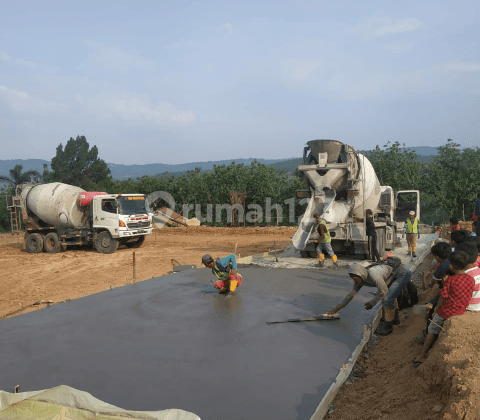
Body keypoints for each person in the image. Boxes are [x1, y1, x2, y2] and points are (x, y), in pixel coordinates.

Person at [413, 250, 475, 366]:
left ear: (451, 266)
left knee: (432, 328)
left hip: (447, 311)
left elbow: (442, 298)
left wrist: (437, 310)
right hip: (461, 310)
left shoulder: (450, 281)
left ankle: (422, 355)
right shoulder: (471, 279)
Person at [326, 256, 412, 336]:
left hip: (402, 274)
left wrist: (372, 302)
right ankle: (395, 319)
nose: (353, 281)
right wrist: (334, 310)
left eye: (355, 278)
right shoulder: (360, 280)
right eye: (352, 278)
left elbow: (384, 291)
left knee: (387, 298)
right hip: (391, 276)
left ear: (360, 275)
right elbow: (350, 296)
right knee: (390, 296)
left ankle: (388, 327)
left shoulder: (374, 275)